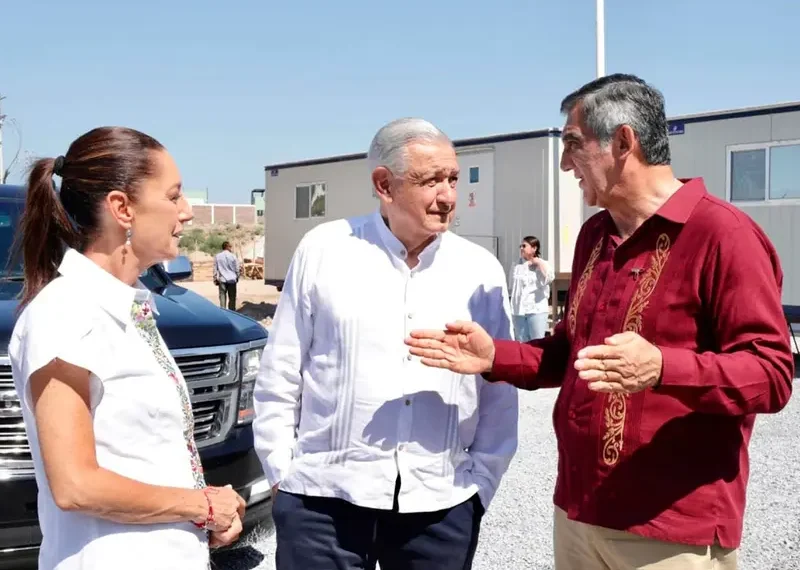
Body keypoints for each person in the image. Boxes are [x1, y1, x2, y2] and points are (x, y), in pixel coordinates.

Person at [405, 74, 794, 570]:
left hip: (669, 533)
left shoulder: (724, 235)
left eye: (572, 144)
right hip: (579, 515)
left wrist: (661, 368)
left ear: (623, 142)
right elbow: (571, 351)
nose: (565, 163)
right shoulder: (596, 235)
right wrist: (494, 356)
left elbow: (772, 375)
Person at [252, 117, 519, 570]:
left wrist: (479, 487)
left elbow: (498, 387)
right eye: (431, 180)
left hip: (441, 502)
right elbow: (281, 369)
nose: (448, 195)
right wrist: (283, 473)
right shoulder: (325, 250)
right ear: (384, 184)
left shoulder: (480, 270)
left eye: (452, 179)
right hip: (323, 501)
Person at [9, 127, 246, 570]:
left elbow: (144, 455)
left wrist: (205, 517)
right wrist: (202, 506)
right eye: (174, 196)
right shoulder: (64, 314)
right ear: (122, 208)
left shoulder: (128, 307)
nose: (188, 212)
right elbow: (75, 485)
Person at [509, 235, 554, 341]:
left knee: (537, 341)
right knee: (521, 342)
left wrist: (538, 262)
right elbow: (511, 287)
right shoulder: (516, 265)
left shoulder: (542, 263)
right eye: (520, 246)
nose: (521, 248)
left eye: (524, 246)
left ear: (534, 248)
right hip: (518, 311)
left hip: (536, 310)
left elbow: (549, 277)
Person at [213, 241, 240, 310]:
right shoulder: (233, 256)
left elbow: (215, 268)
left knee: (222, 296)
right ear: (227, 247)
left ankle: (223, 312)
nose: (231, 248)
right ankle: (232, 313)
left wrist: (215, 278)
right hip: (232, 280)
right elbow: (237, 268)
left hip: (222, 279)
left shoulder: (217, 256)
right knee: (232, 298)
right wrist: (237, 277)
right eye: (230, 246)